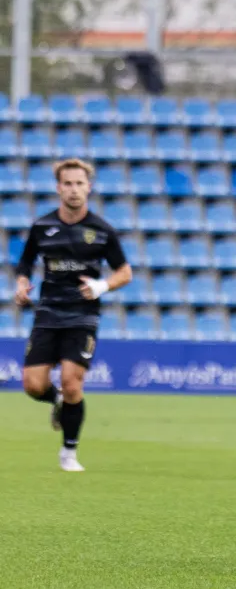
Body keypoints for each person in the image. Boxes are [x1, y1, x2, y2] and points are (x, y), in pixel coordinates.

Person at [15, 159, 132, 472]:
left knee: (71, 382)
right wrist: (22, 284)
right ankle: (56, 401)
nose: (74, 190)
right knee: (33, 385)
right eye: (68, 183)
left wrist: (101, 285)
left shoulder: (102, 230)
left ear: (88, 187)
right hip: (48, 312)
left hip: (83, 315)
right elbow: (25, 263)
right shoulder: (42, 227)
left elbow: (125, 272)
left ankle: (69, 452)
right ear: (58, 188)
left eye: (79, 183)